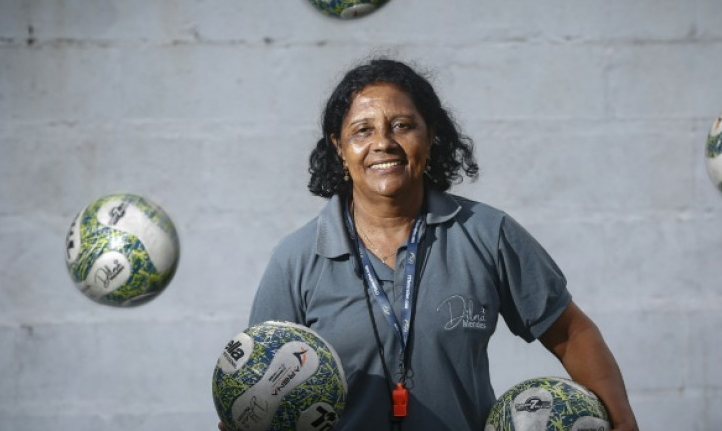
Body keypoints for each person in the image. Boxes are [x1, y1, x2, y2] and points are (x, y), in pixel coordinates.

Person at [221, 58, 639, 430]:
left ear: (430, 135)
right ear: (339, 148)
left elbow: (572, 333)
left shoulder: (486, 233)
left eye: (402, 125)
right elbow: (257, 380)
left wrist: (622, 422)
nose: (383, 142)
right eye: (362, 130)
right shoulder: (296, 259)